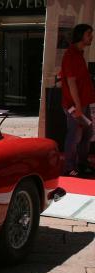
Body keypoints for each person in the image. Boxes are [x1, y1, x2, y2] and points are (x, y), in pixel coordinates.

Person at [60, 24, 95, 176]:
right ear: (80, 35)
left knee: (86, 133)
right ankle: (69, 167)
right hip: (74, 105)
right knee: (75, 135)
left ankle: (82, 162)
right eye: (89, 34)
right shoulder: (71, 55)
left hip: (82, 103)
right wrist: (78, 106)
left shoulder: (79, 53)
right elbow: (71, 82)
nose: (91, 37)